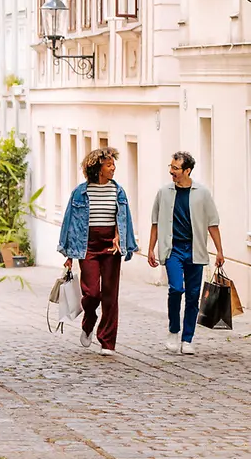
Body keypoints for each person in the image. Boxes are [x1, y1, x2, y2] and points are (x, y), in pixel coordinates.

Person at [58, 147, 138, 355]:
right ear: (97, 168)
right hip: (88, 246)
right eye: (109, 165)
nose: (113, 169)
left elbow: (124, 218)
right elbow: (70, 222)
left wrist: (121, 236)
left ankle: (107, 341)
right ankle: (89, 320)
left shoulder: (118, 191)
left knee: (111, 295)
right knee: (92, 292)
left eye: (114, 165)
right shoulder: (80, 192)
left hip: (111, 246)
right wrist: (68, 254)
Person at [147, 151, 225, 354]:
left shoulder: (202, 193)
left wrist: (219, 250)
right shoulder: (164, 192)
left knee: (192, 296)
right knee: (176, 288)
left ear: (187, 170)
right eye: (170, 167)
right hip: (172, 249)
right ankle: (174, 330)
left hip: (195, 250)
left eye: (175, 168)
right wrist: (150, 248)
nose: (171, 171)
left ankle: (187, 339)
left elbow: (213, 223)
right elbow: (155, 222)